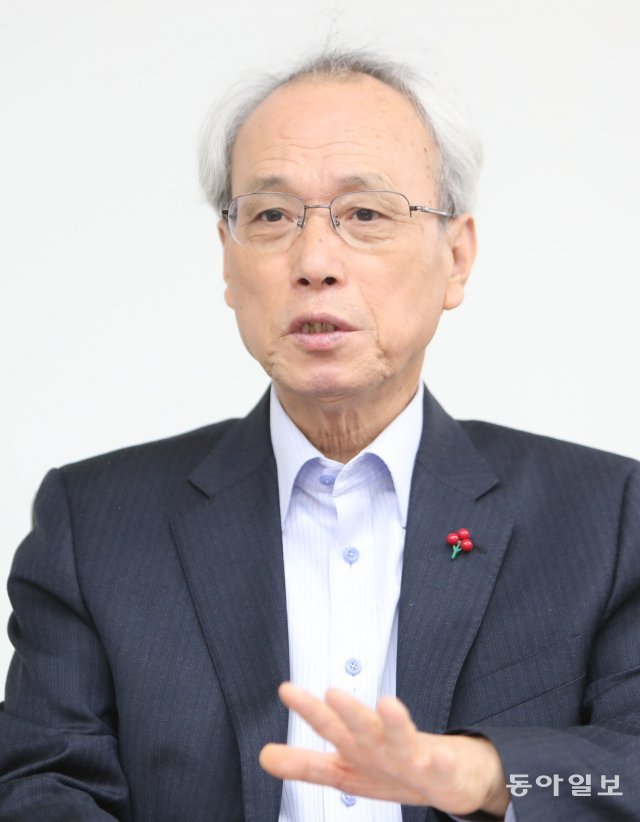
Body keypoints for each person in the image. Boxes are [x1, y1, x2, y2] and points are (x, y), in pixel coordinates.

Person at [1, 49, 639, 822]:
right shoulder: (94, 524)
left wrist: (487, 773)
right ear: (228, 261)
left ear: (456, 257)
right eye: (271, 216)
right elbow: (43, 785)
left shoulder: (605, 517)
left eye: (365, 214)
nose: (314, 262)